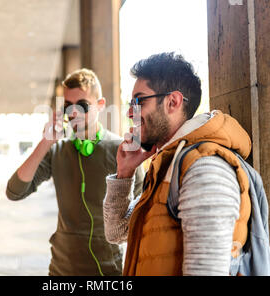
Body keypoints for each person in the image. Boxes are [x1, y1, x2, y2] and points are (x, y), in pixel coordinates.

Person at [103, 52, 252, 276]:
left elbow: (206, 271)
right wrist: (124, 173)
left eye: (138, 101)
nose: (129, 112)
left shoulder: (204, 169)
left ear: (173, 101)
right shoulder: (168, 163)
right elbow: (117, 232)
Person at [6, 68, 144, 276]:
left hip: (108, 271)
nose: (74, 113)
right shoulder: (58, 151)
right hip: (61, 270)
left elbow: (139, 214)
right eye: (68, 106)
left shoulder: (122, 151)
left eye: (82, 105)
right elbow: (14, 191)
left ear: (100, 105)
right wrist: (46, 142)